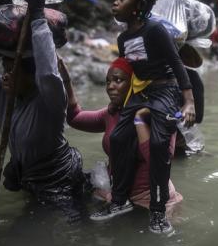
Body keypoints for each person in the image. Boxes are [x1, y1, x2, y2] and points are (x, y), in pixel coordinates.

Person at [0, 0, 85, 209]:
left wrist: (37, 18)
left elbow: (48, 72)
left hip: (59, 182)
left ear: (33, 75)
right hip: (29, 178)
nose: (6, 74)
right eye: (5, 67)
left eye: (13, 69)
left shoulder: (50, 100)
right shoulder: (3, 90)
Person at [89, 0, 195, 234]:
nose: (115, 2)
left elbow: (176, 63)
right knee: (118, 137)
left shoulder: (155, 30)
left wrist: (188, 101)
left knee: (159, 145)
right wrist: (117, 102)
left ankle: (158, 212)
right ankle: (120, 199)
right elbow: (129, 74)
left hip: (165, 90)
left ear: (139, 6)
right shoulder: (123, 38)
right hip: (141, 92)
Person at [58, 57, 183, 212]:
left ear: (135, 84)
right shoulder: (112, 113)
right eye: (108, 81)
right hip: (119, 198)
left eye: (118, 80)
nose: (110, 86)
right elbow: (75, 118)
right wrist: (66, 81)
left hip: (150, 202)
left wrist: (139, 121)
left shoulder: (157, 114)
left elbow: (159, 162)